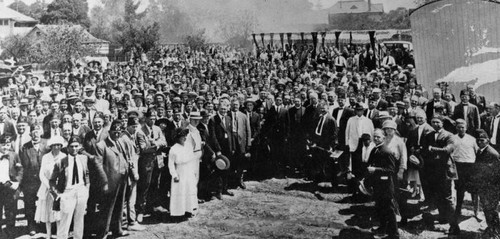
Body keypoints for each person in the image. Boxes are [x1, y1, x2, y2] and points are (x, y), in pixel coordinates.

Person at [421, 116, 460, 236]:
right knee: (436, 196)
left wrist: (432, 149)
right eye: (433, 122)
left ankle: (454, 226)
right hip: (432, 170)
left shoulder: (449, 135)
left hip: (444, 170)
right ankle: (443, 217)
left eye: (437, 122)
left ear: (442, 123)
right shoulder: (429, 135)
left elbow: (448, 150)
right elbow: (424, 149)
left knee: (447, 198)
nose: (435, 124)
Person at [94, 121, 130, 238]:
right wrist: (104, 182)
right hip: (110, 181)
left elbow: (124, 156)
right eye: (114, 132)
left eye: (119, 132)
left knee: (119, 206)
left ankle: (117, 230)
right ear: (109, 132)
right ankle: (103, 233)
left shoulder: (120, 142)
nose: (117, 134)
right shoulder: (101, 145)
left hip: (122, 179)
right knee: (107, 208)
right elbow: (98, 165)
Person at [49, 136, 89, 239]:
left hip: (81, 191)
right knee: (65, 222)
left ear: (79, 147)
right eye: (72, 146)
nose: (74, 149)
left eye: (76, 146)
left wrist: (86, 189)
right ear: (67, 148)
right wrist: (57, 195)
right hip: (67, 192)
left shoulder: (84, 159)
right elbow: (52, 180)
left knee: (79, 220)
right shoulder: (61, 162)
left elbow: (87, 175)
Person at [366, 129, 399, 239]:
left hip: (385, 186)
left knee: (389, 210)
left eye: (378, 137)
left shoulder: (386, 151)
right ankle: (382, 229)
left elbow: (391, 170)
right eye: (374, 136)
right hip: (378, 184)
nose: (375, 139)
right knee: (380, 208)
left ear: (384, 138)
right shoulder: (375, 149)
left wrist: (375, 169)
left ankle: (394, 234)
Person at [19, 126, 47, 236]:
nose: (36, 134)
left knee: (43, 202)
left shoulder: (46, 145)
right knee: (30, 204)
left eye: (38, 131)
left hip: (43, 181)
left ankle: (43, 225)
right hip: (30, 181)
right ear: (30, 134)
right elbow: (22, 166)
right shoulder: (25, 147)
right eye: (33, 132)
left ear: (41, 132)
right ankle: (31, 225)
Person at [472, 129, 500, 238]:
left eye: (482, 140)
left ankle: (495, 231)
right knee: (487, 209)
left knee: (491, 210)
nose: (479, 142)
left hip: (492, 188)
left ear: (488, 140)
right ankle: (491, 228)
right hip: (484, 186)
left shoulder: (492, 153)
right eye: (478, 140)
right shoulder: (481, 151)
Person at [451, 119, 479, 218]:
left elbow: (477, 152)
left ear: (466, 128)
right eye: (459, 127)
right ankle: (458, 210)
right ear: (456, 128)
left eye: (463, 127)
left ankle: (476, 212)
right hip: (458, 166)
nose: (461, 129)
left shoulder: (472, 139)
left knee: (474, 191)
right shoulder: (452, 138)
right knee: (459, 189)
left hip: (470, 166)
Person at [168, 128, 198, 220]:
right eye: (182, 137)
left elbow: (192, 159)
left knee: (189, 190)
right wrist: (174, 175)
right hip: (180, 172)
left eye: (185, 137)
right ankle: (179, 212)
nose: (184, 138)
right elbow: (171, 164)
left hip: (189, 171)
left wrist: (194, 172)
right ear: (178, 138)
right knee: (180, 191)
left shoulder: (188, 146)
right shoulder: (173, 149)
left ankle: (189, 210)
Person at [0, 135, 23, 237]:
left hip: (10, 186)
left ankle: (10, 231)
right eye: (3, 145)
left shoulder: (14, 155)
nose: (5, 147)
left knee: (11, 211)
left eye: (7, 145)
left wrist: (17, 182)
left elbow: (20, 170)